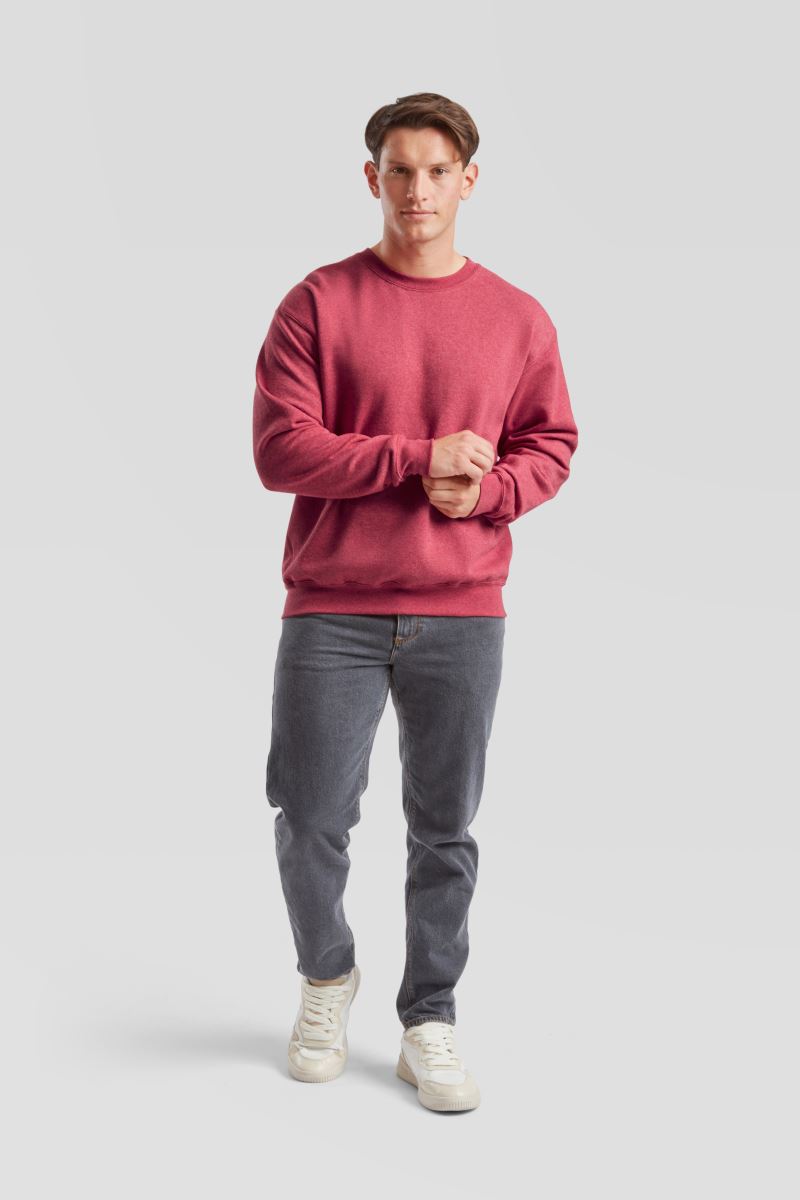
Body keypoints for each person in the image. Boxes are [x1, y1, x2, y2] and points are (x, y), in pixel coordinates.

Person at [252, 92, 579, 1112]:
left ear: (468, 180)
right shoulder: (317, 303)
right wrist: (414, 458)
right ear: (372, 179)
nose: (418, 189)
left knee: (445, 828)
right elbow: (280, 451)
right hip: (331, 606)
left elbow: (551, 443)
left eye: (438, 170)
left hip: (462, 610)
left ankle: (428, 1017)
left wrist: (490, 491)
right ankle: (325, 977)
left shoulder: (517, 317)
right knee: (310, 813)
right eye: (399, 169)